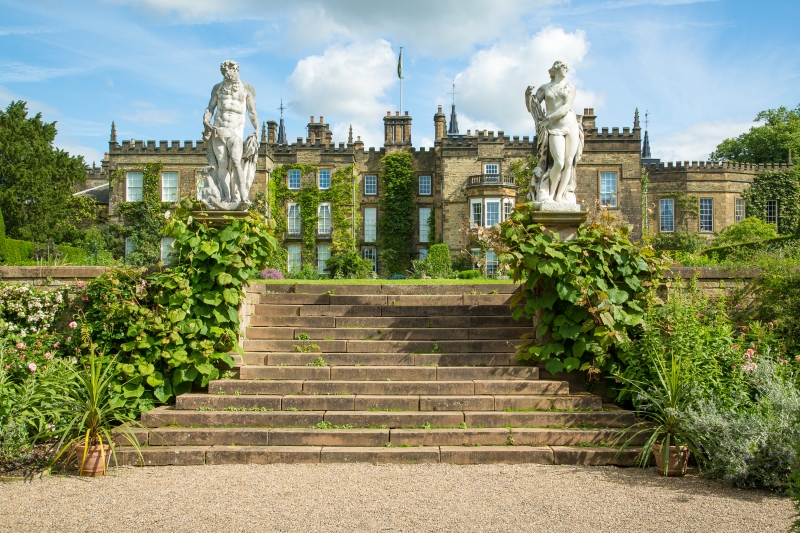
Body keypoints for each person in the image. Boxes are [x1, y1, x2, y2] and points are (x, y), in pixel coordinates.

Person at [524, 60, 583, 205]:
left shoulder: (569, 87)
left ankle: (560, 196)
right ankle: (550, 194)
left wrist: (547, 119)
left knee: (569, 162)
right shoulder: (545, 88)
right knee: (559, 162)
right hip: (554, 128)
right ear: (556, 70)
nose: (566, 70)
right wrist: (527, 96)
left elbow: (566, 107)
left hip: (571, 125)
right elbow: (532, 107)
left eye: (567, 68)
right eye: (564, 67)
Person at [202, 60, 259, 208]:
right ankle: (226, 198)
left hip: (235, 131)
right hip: (218, 130)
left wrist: (257, 129)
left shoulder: (247, 88)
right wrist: (206, 120)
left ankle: (242, 196)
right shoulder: (217, 88)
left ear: (236, 69)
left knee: (235, 161)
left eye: (230, 69)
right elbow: (210, 108)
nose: (227, 73)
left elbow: (252, 113)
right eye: (224, 71)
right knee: (221, 164)